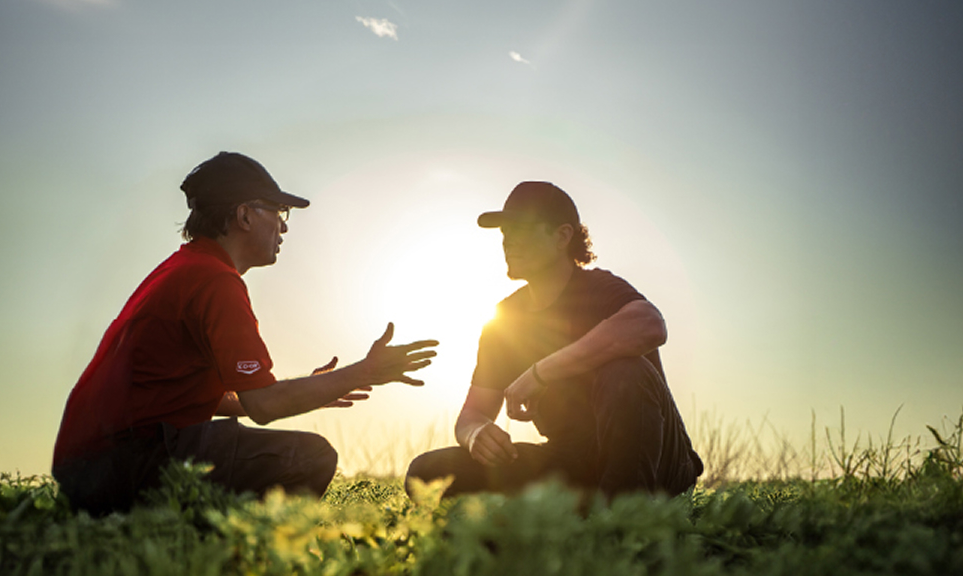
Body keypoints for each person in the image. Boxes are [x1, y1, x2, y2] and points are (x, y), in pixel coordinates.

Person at [53, 151, 438, 515]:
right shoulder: (215, 281)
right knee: (311, 457)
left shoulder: (184, 268)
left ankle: (196, 537)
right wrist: (365, 371)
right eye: (278, 210)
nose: (284, 225)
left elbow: (185, 394)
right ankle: (231, 553)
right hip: (124, 465)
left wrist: (316, 390)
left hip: (90, 468)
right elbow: (264, 406)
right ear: (244, 216)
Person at [404, 181, 702, 500]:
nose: (509, 243)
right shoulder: (505, 319)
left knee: (624, 372)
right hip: (571, 460)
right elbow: (472, 414)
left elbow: (649, 325)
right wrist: (477, 434)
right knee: (426, 471)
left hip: (659, 462)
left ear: (562, 236)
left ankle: (623, 523)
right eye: (505, 233)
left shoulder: (601, 289)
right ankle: (576, 508)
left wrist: (540, 373)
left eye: (521, 230)